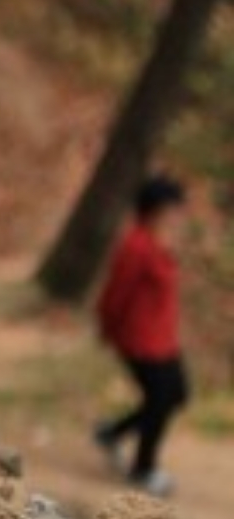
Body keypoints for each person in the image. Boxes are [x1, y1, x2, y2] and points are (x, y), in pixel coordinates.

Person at [93, 175, 189, 497]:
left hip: (164, 340)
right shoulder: (136, 246)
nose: (179, 215)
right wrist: (108, 328)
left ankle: (113, 432)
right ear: (156, 210)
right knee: (160, 400)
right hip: (139, 340)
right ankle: (143, 468)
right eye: (173, 209)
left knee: (177, 394)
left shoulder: (159, 243)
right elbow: (115, 293)